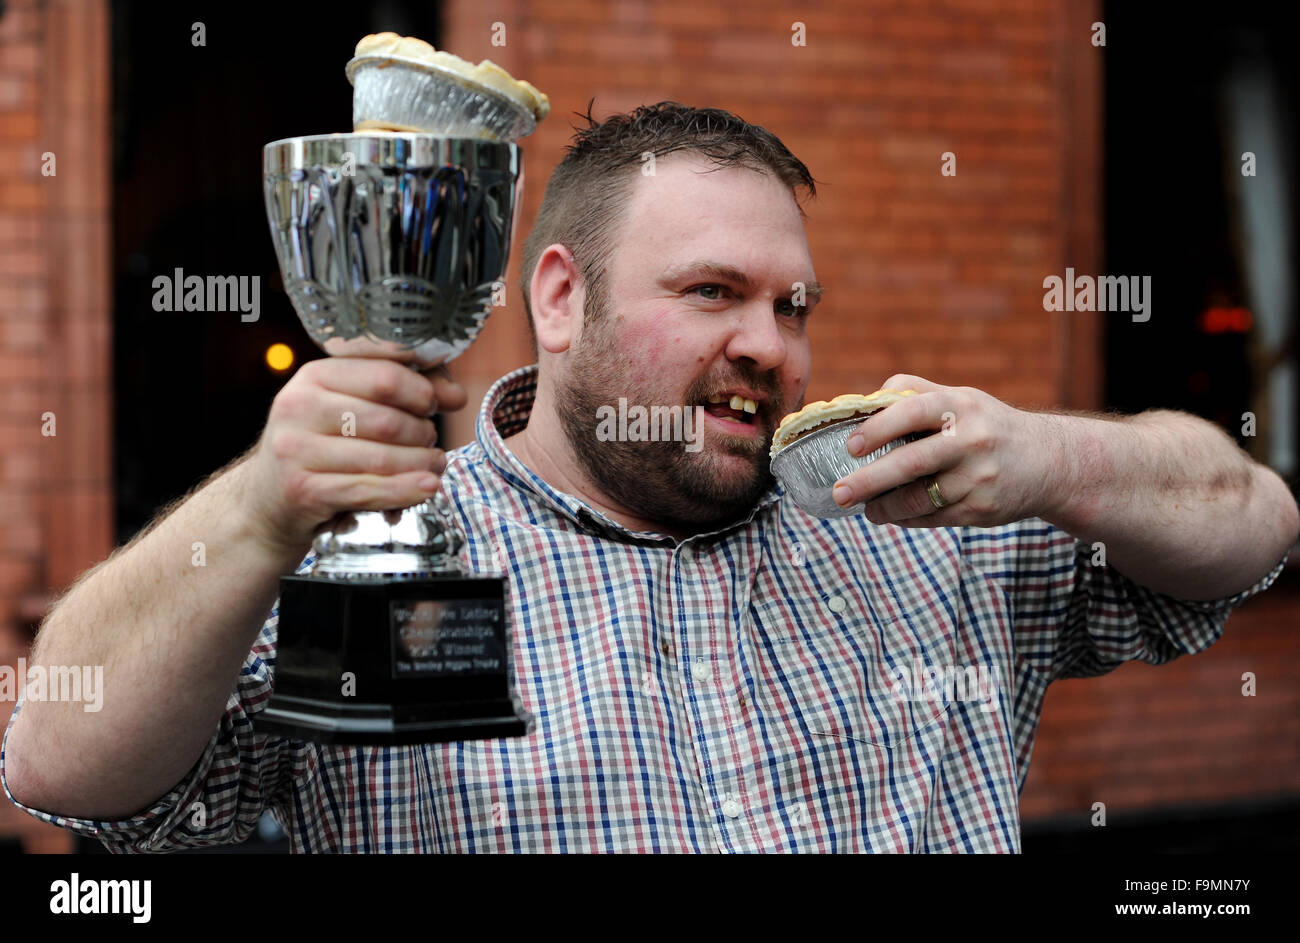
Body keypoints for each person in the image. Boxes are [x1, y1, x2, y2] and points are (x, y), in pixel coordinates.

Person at [3, 102, 1295, 853]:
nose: (772, 344)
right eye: (714, 293)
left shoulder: (916, 512)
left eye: (795, 305)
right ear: (560, 302)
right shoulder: (381, 553)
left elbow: (1253, 522)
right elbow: (57, 763)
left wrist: (1057, 456)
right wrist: (257, 506)